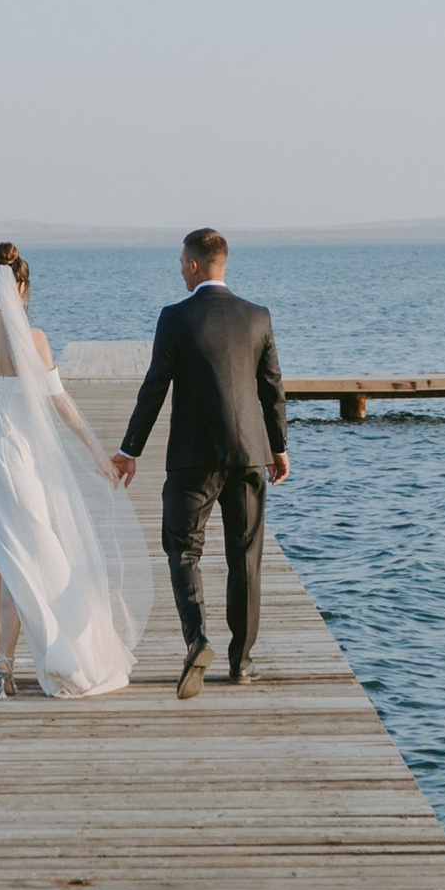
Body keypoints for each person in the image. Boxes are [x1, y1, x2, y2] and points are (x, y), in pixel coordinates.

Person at [0, 242, 148, 700]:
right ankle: (9, 659)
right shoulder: (35, 339)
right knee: (28, 550)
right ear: (22, 287)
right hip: (23, 454)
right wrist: (96, 452)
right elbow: (60, 403)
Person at [109, 229, 287, 699]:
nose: (179, 269)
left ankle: (198, 640)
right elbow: (272, 388)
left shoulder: (175, 318)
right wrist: (279, 447)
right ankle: (241, 664)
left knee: (184, 550)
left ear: (193, 265)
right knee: (245, 558)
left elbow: (155, 386)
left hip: (193, 459)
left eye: (180, 263)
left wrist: (130, 450)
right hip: (251, 454)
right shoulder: (258, 316)